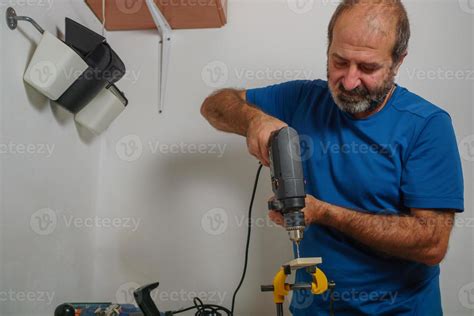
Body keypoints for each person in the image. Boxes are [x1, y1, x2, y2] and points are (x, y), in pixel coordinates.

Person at [200, 1, 464, 315]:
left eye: (367, 68)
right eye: (340, 61)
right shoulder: (302, 99)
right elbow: (215, 106)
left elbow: (431, 243)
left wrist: (324, 213)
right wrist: (253, 120)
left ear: (398, 62)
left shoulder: (426, 126)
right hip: (315, 306)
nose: (350, 81)